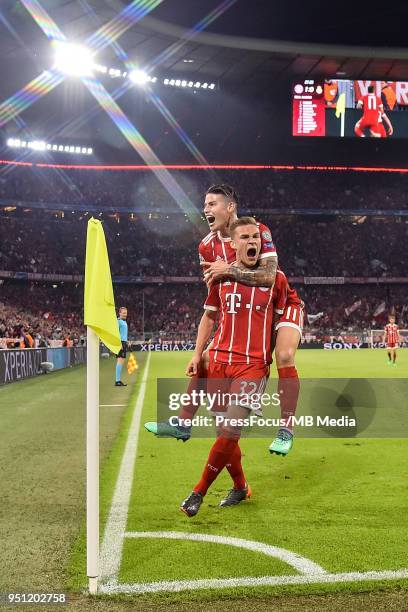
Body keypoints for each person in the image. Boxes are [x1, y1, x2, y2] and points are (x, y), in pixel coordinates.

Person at [145, 184, 303, 455]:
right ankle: (183, 423)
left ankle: (286, 429)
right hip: (244, 307)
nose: (205, 209)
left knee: (285, 355)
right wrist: (197, 353)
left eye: (212, 204)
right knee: (206, 359)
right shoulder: (206, 247)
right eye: (204, 205)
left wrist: (227, 269)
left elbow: (267, 277)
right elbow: (214, 304)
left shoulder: (256, 231)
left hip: (279, 300)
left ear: (230, 207)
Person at [180, 217, 286, 517]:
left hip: (253, 367)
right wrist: (198, 354)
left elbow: (284, 322)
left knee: (230, 429)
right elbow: (209, 317)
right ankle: (240, 486)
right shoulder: (220, 277)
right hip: (222, 362)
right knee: (224, 435)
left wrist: (282, 359)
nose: (252, 242)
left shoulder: (275, 279)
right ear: (234, 243)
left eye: (256, 237)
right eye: (245, 238)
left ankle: (197, 492)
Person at [115, 306, 128, 386]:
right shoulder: (118, 321)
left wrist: (127, 341)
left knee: (121, 361)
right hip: (120, 343)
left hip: (124, 342)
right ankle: (117, 381)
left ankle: (118, 380)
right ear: (119, 313)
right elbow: (116, 333)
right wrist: (119, 344)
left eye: (126, 313)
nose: (125, 314)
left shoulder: (124, 321)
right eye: (123, 313)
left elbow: (123, 334)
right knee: (120, 361)